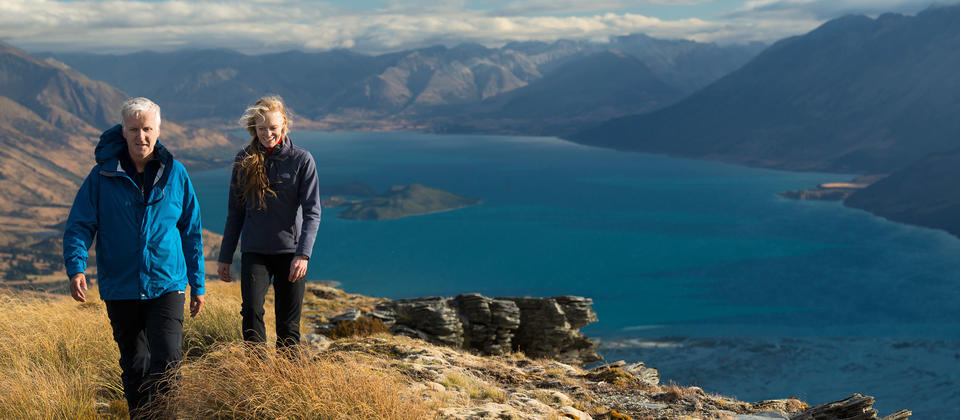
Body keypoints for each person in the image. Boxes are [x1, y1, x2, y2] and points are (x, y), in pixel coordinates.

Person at [62, 97, 205, 417]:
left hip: (167, 283)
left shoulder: (176, 174)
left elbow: (191, 231)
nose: (141, 136)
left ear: (158, 130)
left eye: (147, 129)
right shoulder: (101, 177)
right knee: (136, 364)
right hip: (121, 285)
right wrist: (76, 268)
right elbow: (79, 226)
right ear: (123, 131)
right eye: (134, 129)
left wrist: (198, 284)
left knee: (168, 361)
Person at [217, 95, 321, 348]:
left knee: (288, 325)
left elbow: (312, 211)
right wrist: (225, 256)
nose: (267, 134)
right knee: (251, 314)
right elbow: (235, 212)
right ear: (254, 128)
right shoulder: (243, 160)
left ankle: (288, 382)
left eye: (272, 128)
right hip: (255, 251)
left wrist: (303, 255)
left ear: (284, 124)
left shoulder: (302, 159)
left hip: (291, 253)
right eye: (261, 128)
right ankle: (257, 377)